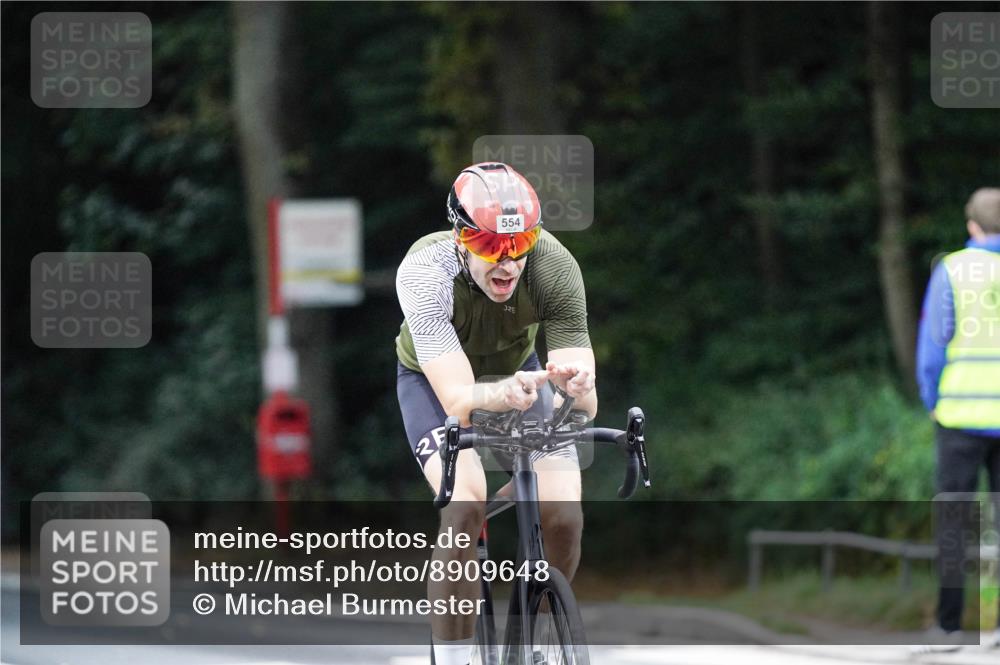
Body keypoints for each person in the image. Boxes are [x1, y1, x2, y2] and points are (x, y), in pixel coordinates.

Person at [394, 162, 597, 665]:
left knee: (565, 514)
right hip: (435, 381)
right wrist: (500, 394)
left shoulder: (554, 265)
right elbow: (461, 401)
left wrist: (577, 385)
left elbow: (586, 406)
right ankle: (453, 656)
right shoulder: (426, 270)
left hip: (520, 376)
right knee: (463, 507)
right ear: (460, 236)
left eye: (519, 246)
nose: (507, 264)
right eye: (489, 247)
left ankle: (542, 641)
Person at [916, 187, 1000, 652]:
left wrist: (932, 398)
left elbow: (933, 346)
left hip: (961, 415)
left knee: (954, 521)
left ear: (972, 226)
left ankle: (950, 626)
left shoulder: (952, 269)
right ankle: (996, 625)